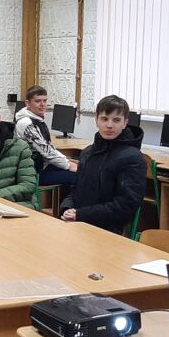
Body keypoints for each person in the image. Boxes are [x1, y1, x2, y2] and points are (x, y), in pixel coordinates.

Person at [61, 95, 146, 234]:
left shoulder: (132, 158)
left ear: (125, 123)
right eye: (104, 119)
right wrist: (67, 208)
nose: (109, 125)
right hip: (79, 223)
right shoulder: (88, 153)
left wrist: (81, 215)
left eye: (116, 120)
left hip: (108, 230)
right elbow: (75, 190)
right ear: (96, 121)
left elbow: (126, 206)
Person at [14, 85, 79, 188]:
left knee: (82, 169)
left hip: (42, 166)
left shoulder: (37, 119)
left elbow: (48, 148)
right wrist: (69, 165)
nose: (42, 104)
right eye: (38, 101)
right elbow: (46, 151)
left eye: (45, 101)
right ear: (27, 103)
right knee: (79, 176)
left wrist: (68, 161)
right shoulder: (26, 123)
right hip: (32, 173)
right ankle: (68, 204)